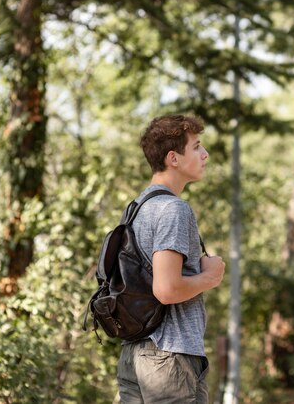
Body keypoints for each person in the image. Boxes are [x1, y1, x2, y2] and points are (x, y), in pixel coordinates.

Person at [116, 114, 226, 404]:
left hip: (134, 354)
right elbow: (166, 289)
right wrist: (210, 276)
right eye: (196, 147)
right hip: (170, 357)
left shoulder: (136, 208)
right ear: (173, 158)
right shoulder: (172, 209)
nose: (205, 154)